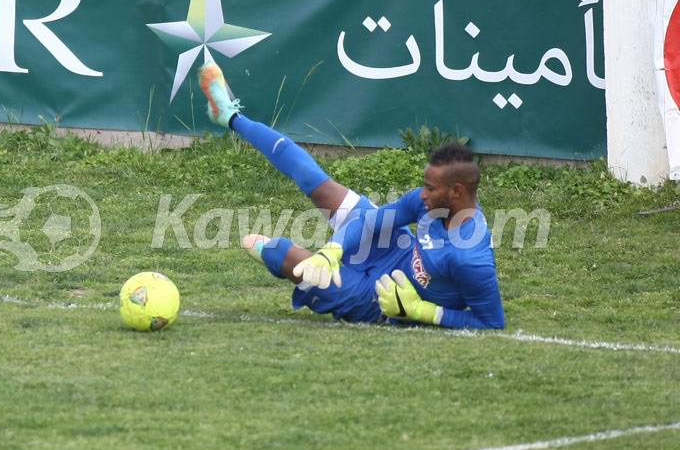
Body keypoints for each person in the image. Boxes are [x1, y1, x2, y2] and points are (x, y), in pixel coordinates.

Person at [197, 62, 505, 329]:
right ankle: (229, 117)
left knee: (277, 252)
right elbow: (373, 222)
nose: (422, 194)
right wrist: (333, 249)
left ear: (457, 192)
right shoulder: (426, 202)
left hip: (378, 297)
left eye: (431, 188)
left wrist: (422, 312)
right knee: (314, 180)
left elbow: (491, 322)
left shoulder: (472, 259)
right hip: (390, 251)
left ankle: (295, 263)